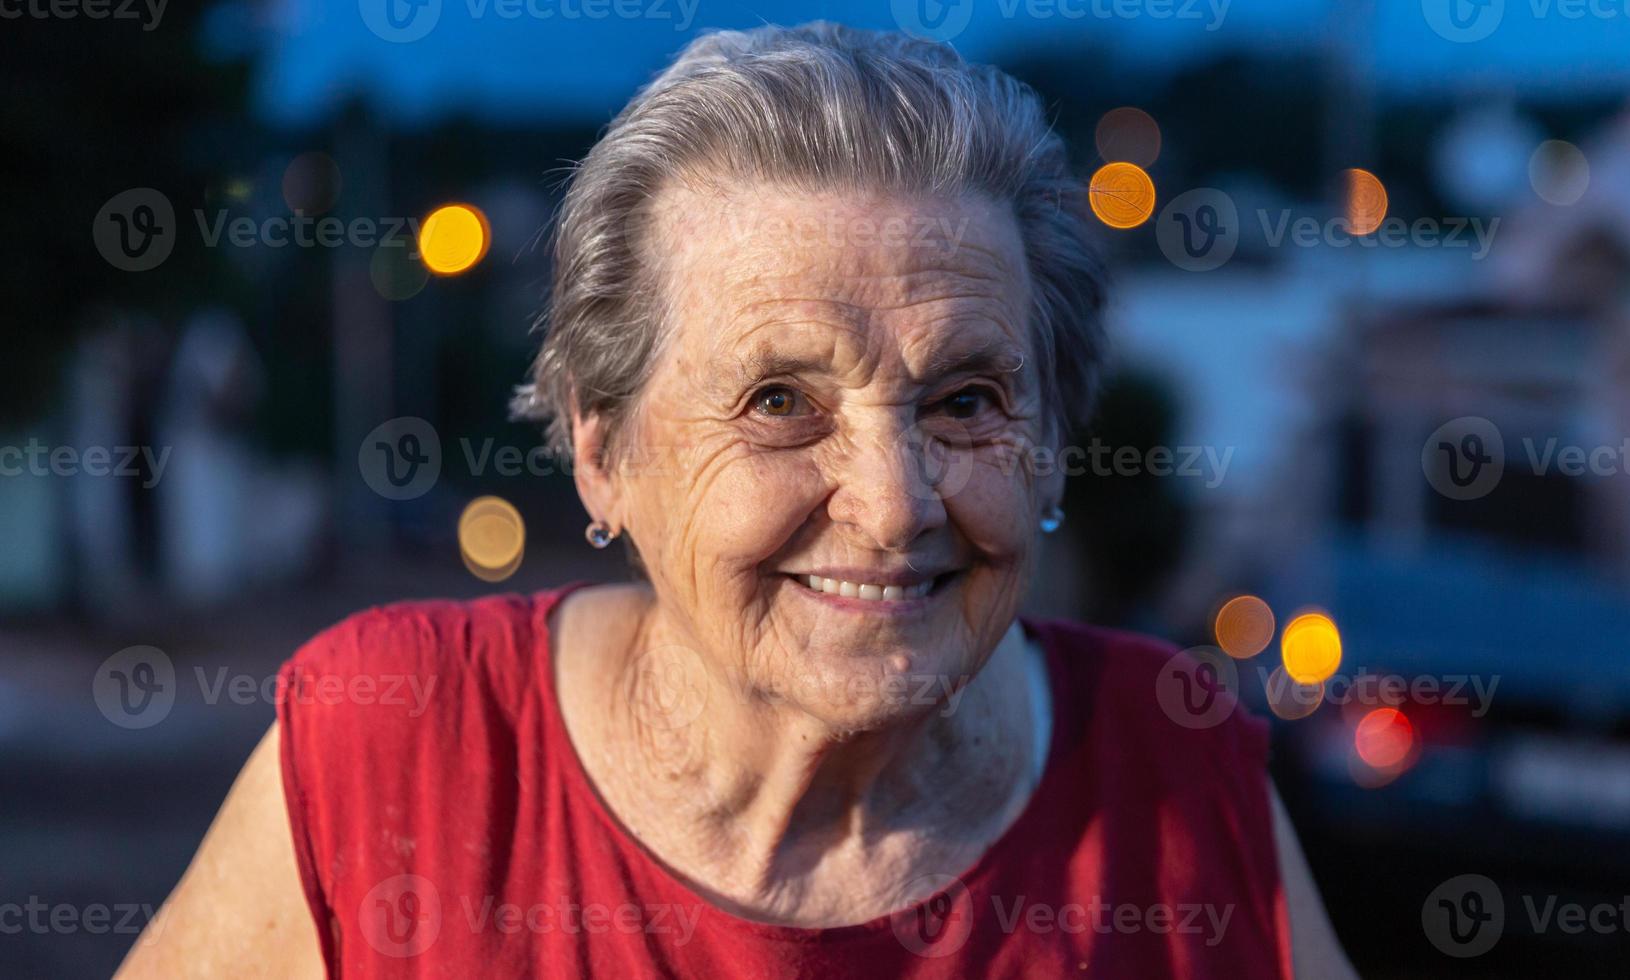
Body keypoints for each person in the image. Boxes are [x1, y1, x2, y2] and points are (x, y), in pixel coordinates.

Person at [119, 23, 1355, 978]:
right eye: (778, 400)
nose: (891, 503)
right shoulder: (394, 753)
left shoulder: (1177, 767)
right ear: (603, 455)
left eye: (967, 399)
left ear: (1049, 443)